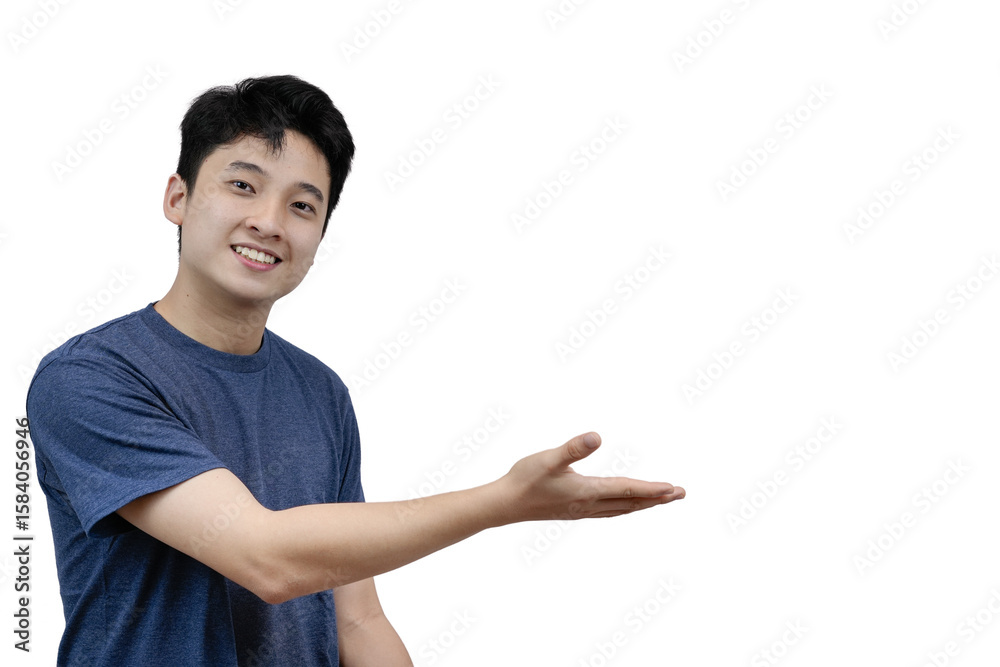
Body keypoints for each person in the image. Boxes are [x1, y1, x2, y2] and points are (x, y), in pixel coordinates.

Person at [25, 74, 686, 666]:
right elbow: (266, 557)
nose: (269, 222)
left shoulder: (319, 392)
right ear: (178, 196)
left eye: (303, 205)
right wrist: (503, 502)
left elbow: (358, 619)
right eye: (243, 185)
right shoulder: (88, 379)